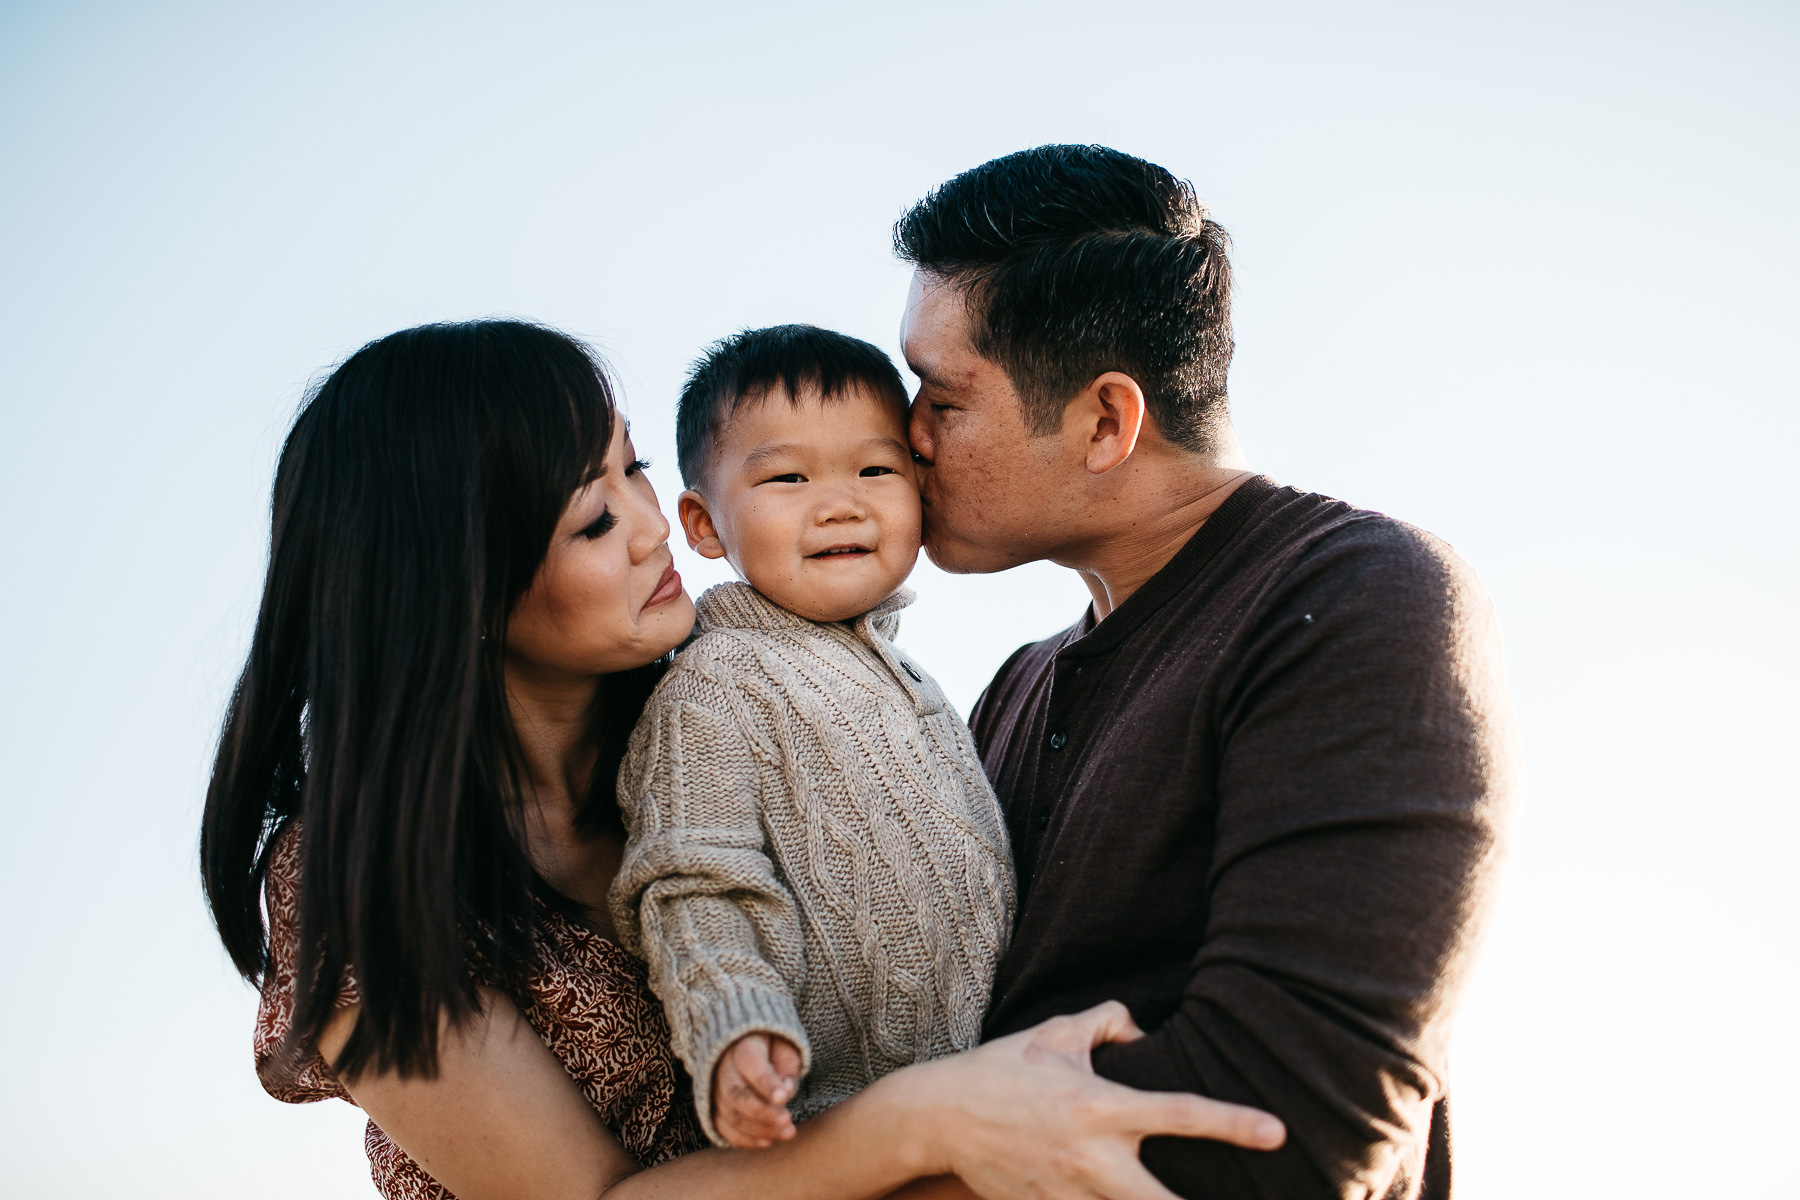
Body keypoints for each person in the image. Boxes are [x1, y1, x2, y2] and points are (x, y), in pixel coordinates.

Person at [198, 319, 1285, 1200]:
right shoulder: (351, 883)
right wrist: (928, 1116)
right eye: (590, 521)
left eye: (633, 471)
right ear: (457, 596)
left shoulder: (720, 715)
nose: (647, 527)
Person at [894, 145, 1516, 1200]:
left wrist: (860, 1170)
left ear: (1105, 422)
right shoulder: (1014, 687)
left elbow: (1288, 1122)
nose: (902, 437)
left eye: (940, 398)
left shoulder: (1357, 599)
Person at [610, 325, 1015, 1150]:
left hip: (995, 1096)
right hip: (844, 1123)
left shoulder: (909, 680)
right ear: (703, 523)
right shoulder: (716, 684)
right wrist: (737, 1028)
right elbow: (695, 882)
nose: (840, 502)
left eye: (876, 469)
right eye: (788, 477)